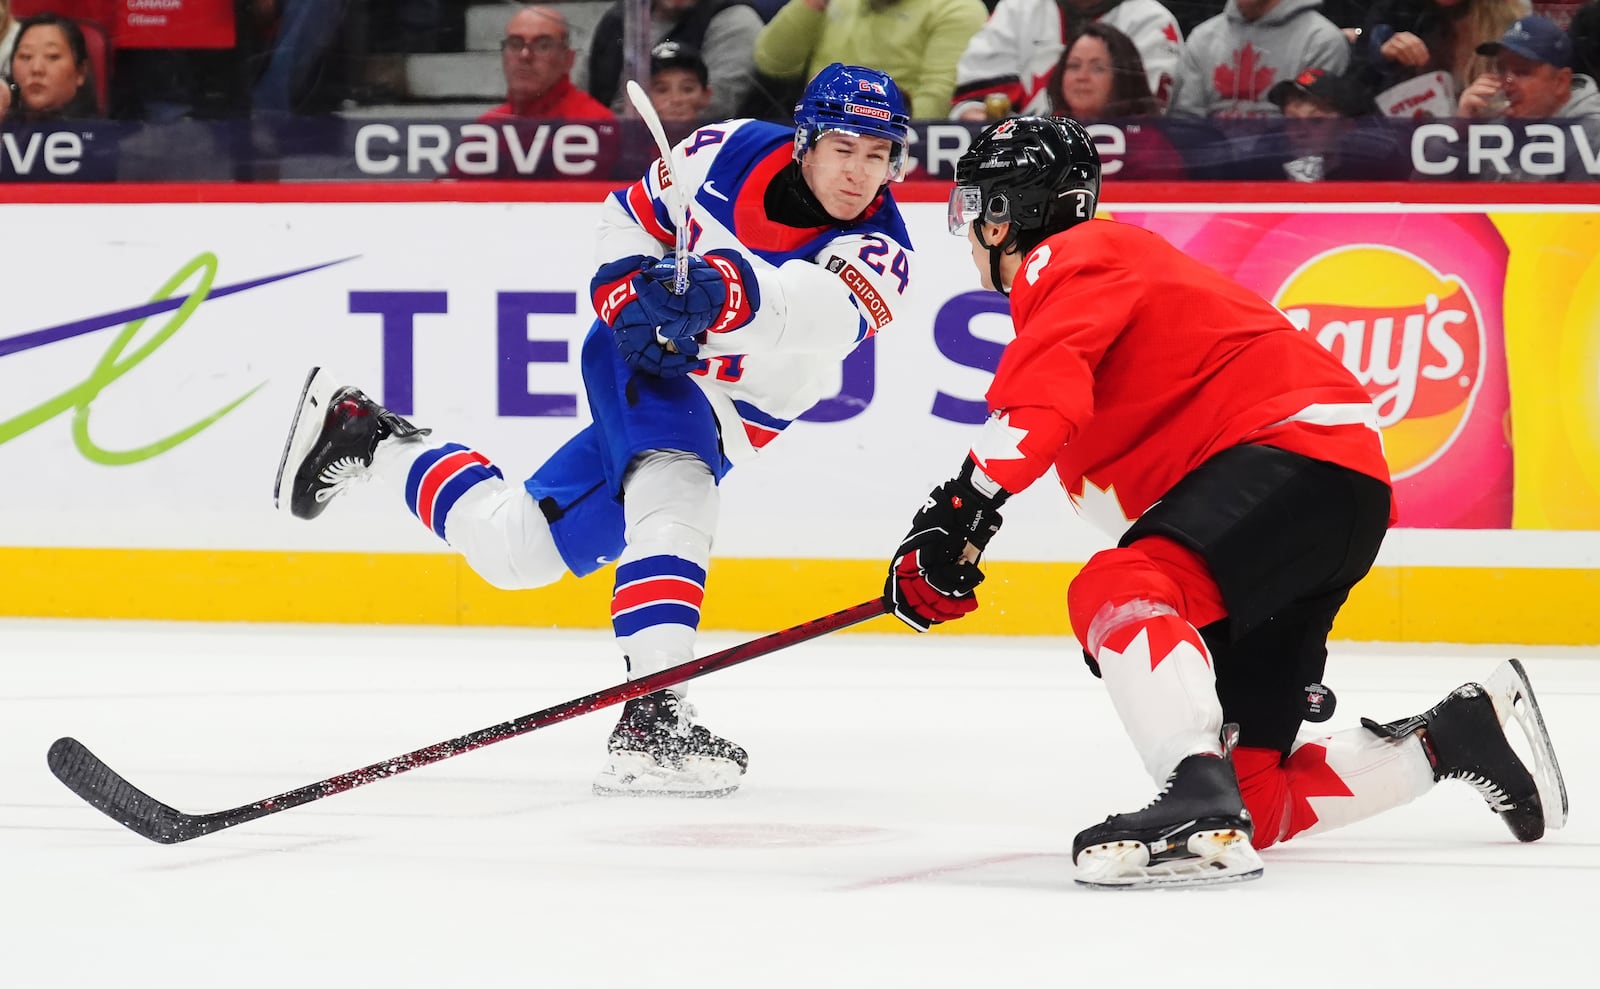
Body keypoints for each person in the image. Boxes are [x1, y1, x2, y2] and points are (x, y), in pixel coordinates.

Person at [885, 115, 1568, 888]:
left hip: (1291, 465)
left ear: (1011, 212)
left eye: (976, 207)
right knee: (1255, 800)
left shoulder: (1069, 255)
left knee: (1117, 584)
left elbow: (1041, 406)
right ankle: (1453, 738)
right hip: (1325, 494)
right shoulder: (1111, 265)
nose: (971, 231)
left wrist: (959, 513)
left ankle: (1190, 792)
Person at [276, 64, 915, 799]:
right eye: (844, 148)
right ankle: (654, 715)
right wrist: (624, 298)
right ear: (805, 141)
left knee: (514, 549)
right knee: (676, 493)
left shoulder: (885, 250)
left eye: (878, 154)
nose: (860, 172)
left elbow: (813, 311)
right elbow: (628, 219)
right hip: (646, 365)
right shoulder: (728, 148)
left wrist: (721, 292)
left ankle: (368, 438)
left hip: (729, 412)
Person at [752, 0, 987, 117]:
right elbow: (772, 62)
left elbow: (937, 105)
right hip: (814, 129)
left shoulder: (958, 8)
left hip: (898, 139)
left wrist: (853, 126)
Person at [950, 0, 1183, 119]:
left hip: (1121, 167)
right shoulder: (1017, 8)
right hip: (1019, 167)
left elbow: (1143, 123)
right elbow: (973, 105)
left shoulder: (1153, 21)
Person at [1457, 14, 1600, 178]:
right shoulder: (1497, 127)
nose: (1507, 82)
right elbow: (1434, 196)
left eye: (1521, 72)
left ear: (1560, 82)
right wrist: (1460, 134)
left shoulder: (1591, 139)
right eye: (1502, 70)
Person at [584, 0, 764, 120]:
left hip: (701, 152)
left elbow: (716, 108)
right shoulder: (617, 17)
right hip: (608, 148)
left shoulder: (734, 20)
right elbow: (579, 90)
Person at [1168, 0, 1350, 117]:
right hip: (1207, 167)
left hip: (1282, 167)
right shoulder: (1203, 37)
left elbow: (1310, 132)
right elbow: (1186, 121)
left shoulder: (1322, 41)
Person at [1348, 0, 1526, 102]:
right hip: (1410, 143)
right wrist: (1382, 59)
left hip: (1491, 137)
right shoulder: (1397, 10)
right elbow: (1353, 94)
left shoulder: (1514, 23)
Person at [482, 5, 613, 122]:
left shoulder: (594, 122)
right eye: (515, 44)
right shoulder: (489, 126)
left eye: (542, 46)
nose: (525, 55)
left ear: (568, 59)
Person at [4, 12, 98, 122]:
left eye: (52, 56)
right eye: (26, 56)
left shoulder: (105, 135)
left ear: (80, 72)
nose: (36, 69)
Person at [647, 39, 714, 122]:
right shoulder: (628, 134)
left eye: (687, 89)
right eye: (662, 90)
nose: (676, 100)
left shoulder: (728, 134)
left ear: (706, 95)